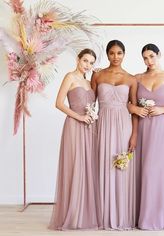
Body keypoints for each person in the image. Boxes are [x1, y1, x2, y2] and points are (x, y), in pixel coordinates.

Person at [129, 43, 164, 230]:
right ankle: (144, 218)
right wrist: (136, 111)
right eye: (145, 58)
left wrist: (162, 109)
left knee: (161, 172)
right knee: (145, 171)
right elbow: (128, 104)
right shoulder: (137, 78)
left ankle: (163, 217)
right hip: (144, 130)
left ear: (159, 55)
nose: (149, 61)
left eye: (152, 56)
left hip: (163, 130)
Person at [49, 49, 100, 230]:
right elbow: (59, 103)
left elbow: (94, 104)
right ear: (78, 59)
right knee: (75, 166)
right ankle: (73, 214)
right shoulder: (70, 77)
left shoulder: (89, 82)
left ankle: (85, 212)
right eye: (85, 60)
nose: (87, 64)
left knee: (88, 167)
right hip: (74, 125)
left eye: (91, 62)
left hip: (90, 127)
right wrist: (79, 117)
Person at [91, 40, 138, 230]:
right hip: (102, 124)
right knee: (103, 166)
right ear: (107, 54)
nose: (115, 57)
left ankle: (122, 215)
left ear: (124, 54)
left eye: (119, 53)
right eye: (111, 53)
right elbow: (89, 101)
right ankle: (102, 214)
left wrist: (134, 135)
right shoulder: (98, 75)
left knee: (121, 168)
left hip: (123, 126)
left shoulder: (131, 79)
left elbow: (134, 109)